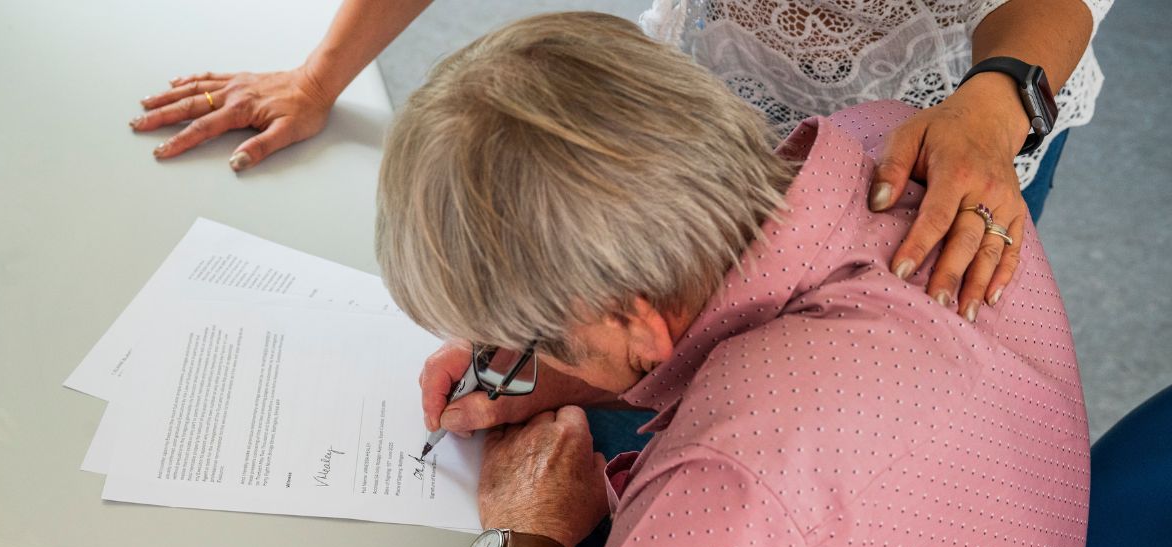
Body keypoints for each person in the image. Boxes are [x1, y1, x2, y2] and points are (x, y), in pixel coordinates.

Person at [375, 12, 1090, 547]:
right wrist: (577, 370)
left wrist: (528, 540)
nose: (522, 358)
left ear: (637, 324)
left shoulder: (726, 489)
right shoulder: (902, 145)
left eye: (533, 342)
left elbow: (751, 485)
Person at [128, 0, 1110, 323]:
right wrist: (319, 78)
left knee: (883, 343)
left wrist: (1000, 103)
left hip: (964, 109)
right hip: (712, 82)